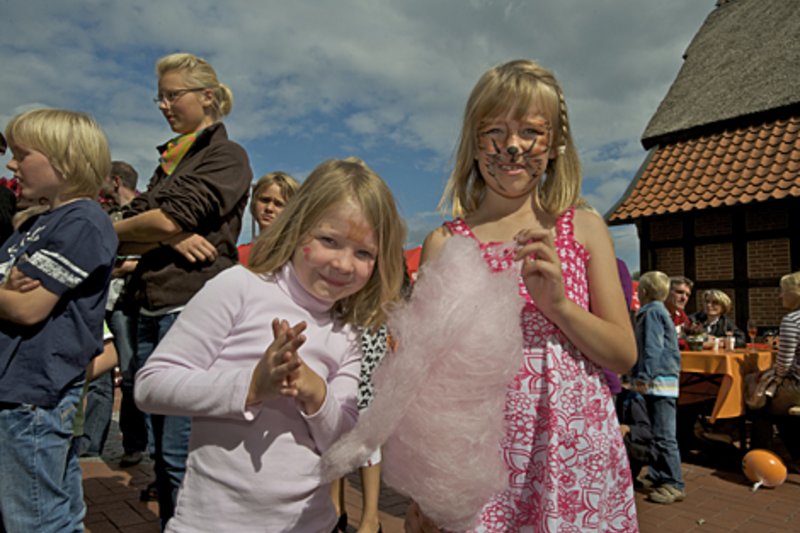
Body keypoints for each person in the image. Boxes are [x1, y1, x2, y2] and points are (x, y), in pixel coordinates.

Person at [407, 59, 637, 531]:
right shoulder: (446, 243)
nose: (513, 146)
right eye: (495, 130)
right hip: (480, 455)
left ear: (554, 146)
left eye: (531, 132)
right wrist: (426, 483)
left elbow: (622, 355)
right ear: (474, 144)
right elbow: (427, 379)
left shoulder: (584, 229)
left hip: (571, 451)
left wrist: (559, 307)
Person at [134, 157, 407, 532]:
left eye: (364, 253)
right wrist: (250, 386)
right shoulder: (238, 288)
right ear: (297, 229)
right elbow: (151, 385)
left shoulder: (347, 334)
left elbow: (341, 449)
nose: (344, 264)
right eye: (329, 240)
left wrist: (316, 395)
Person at [115, 51, 252, 526]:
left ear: (207, 97)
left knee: (179, 456)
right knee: (162, 453)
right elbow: (131, 219)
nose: (163, 105)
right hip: (151, 306)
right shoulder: (170, 163)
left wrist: (160, 224)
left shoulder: (226, 156)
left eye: (172, 95)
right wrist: (168, 233)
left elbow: (165, 214)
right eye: (160, 97)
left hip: (190, 309)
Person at [0, 108, 117, 532]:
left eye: (22, 154)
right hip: (23, 390)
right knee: (57, 511)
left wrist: (10, 293)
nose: (12, 164)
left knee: (34, 518)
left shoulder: (82, 220)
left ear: (63, 160)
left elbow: (27, 307)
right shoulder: (35, 224)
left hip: (32, 393)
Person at [631, 271, 685, 504]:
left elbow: (653, 348)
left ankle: (674, 483)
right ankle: (658, 475)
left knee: (664, 435)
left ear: (642, 292)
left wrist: (643, 376)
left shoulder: (651, 313)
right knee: (657, 432)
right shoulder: (660, 311)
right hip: (663, 381)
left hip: (658, 382)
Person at [750, 271, 800, 472]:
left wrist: (775, 378)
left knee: (759, 403)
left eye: (782, 291)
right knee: (779, 407)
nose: (780, 296)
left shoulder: (792, 320)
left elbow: (784, 364)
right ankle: (795, 455)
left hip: (797, 386)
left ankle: (758, 461)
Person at [238, 171, 299, 265]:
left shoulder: (298, 257)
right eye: (264, 200)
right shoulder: (238, 255)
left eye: (279, 204)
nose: (269, 208)